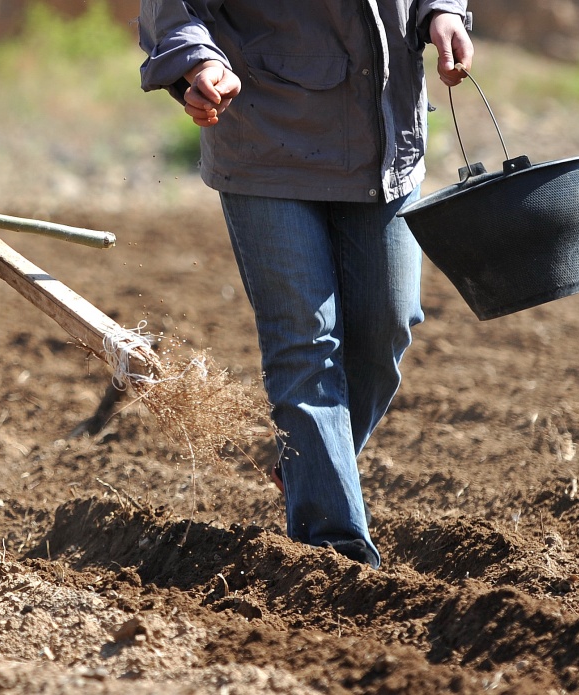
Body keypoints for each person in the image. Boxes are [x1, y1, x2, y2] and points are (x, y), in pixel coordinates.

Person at [139, 1, 474, 568]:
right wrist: (197, 63)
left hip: (385, 136)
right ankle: (334, 553)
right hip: (266, 135)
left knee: (387, 325)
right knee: (304, 339)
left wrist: (442, 12)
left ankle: (308, 461)